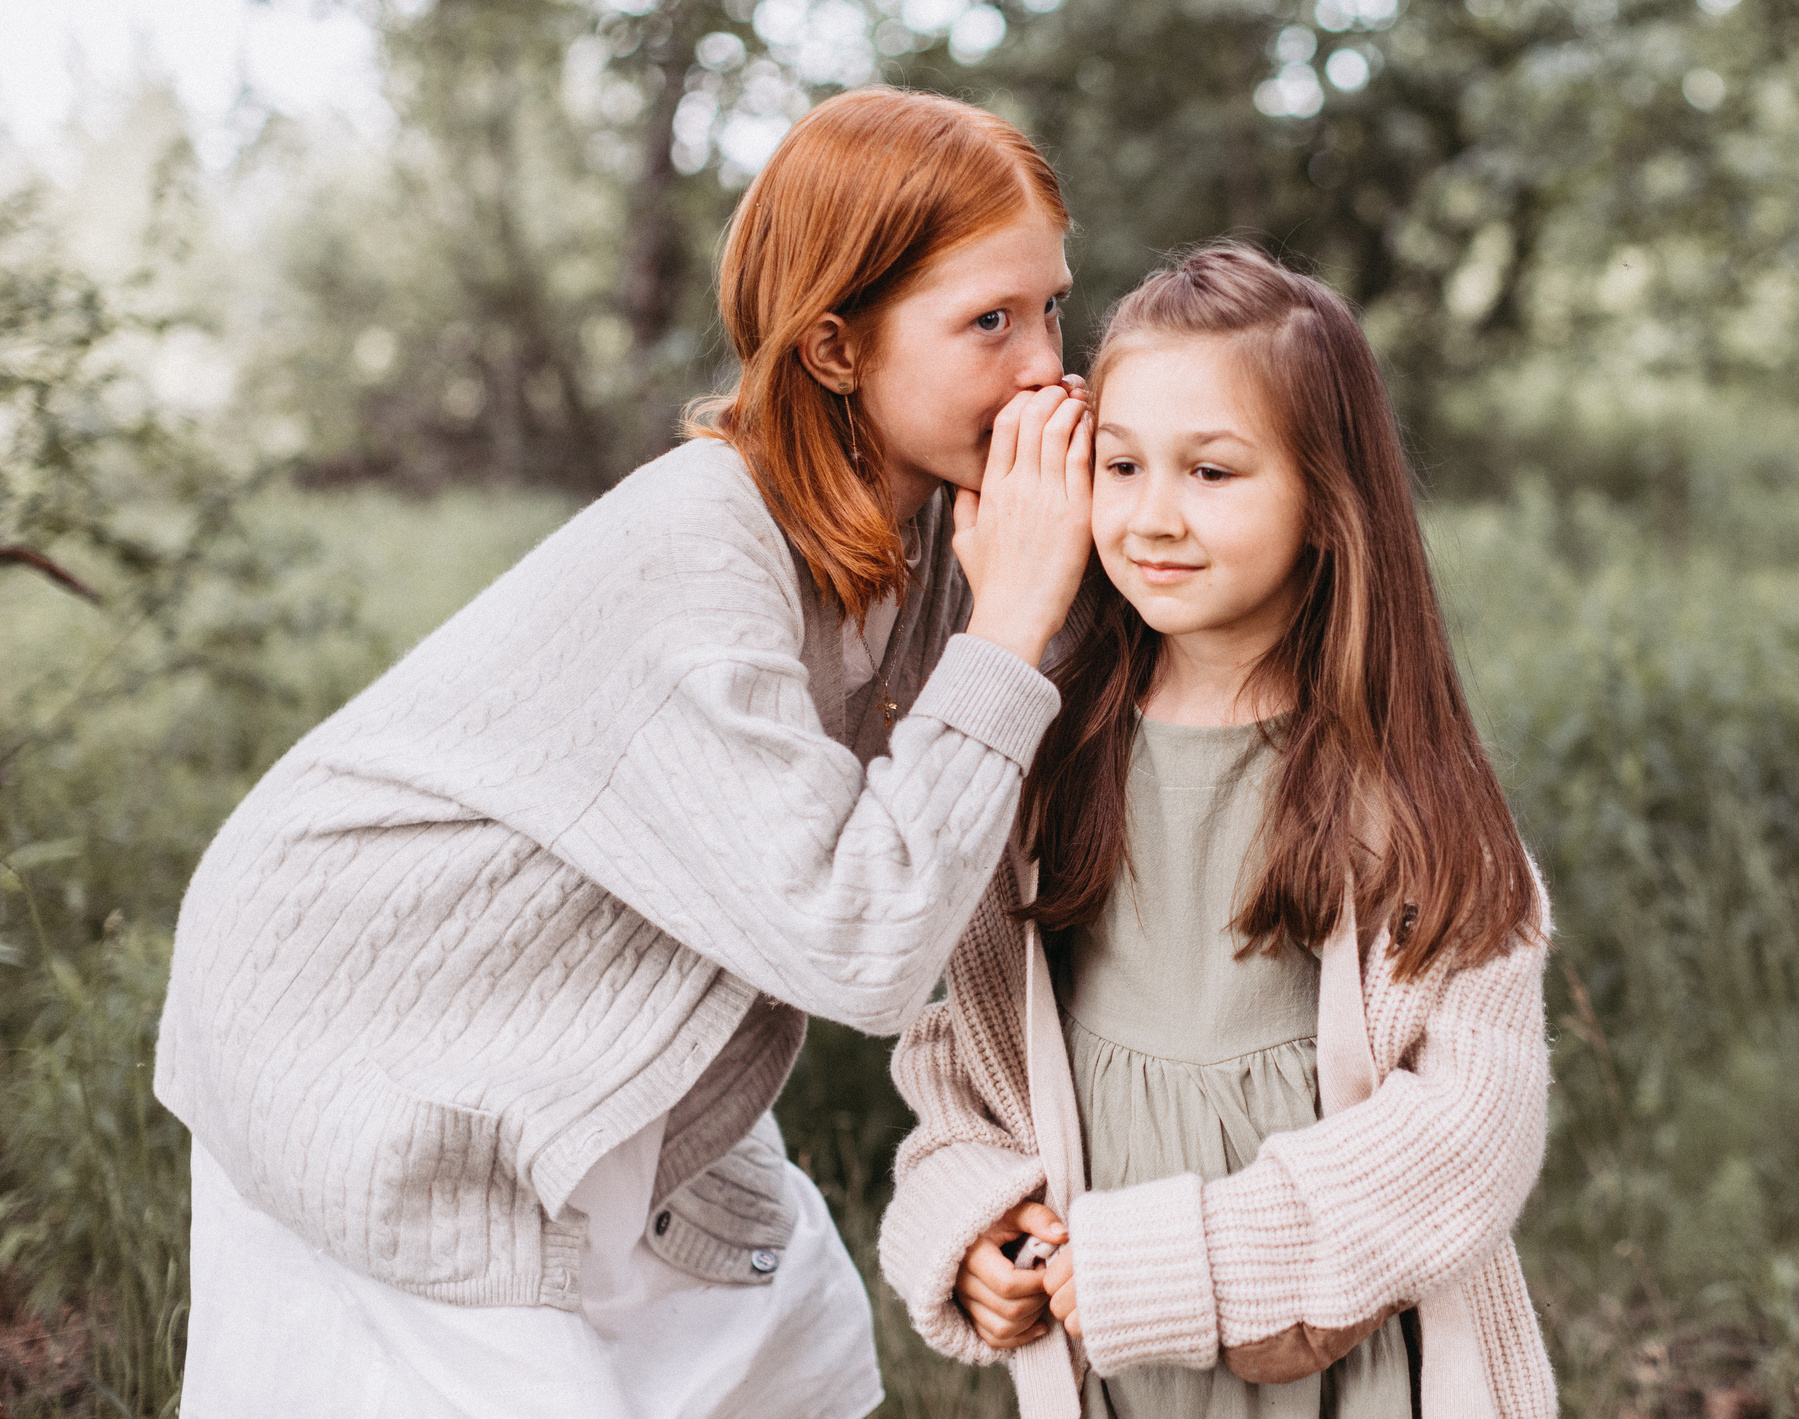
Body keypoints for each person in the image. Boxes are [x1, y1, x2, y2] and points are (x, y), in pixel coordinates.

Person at [155, 87, 1097, 1418]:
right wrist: (1007, 638)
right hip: (366, 1018)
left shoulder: (951, 523)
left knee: (785, 1336)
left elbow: (991, 819)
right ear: (836, 347)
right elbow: (866, 942)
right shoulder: (700, 547)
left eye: (1053, 305)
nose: (1043, 365)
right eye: (987, 322)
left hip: (594, 1023)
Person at [878, 243, 1560, 1419]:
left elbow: (1473, 1123)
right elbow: (969, 1053)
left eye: (1212, 472)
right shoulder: (1043, 757)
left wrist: (1211, 1265)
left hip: (1327, 1344)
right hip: (1111, 1357)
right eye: (1123, 465)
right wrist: (970, 1216)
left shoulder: (1403, 788)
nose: (1152, 517)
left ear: (1326, 502)